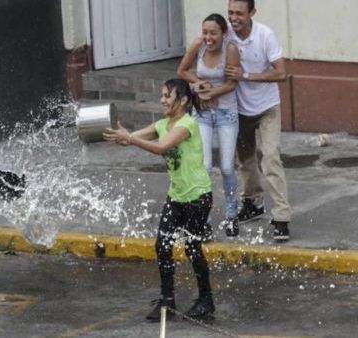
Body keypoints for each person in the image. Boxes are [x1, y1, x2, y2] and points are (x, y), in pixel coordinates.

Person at [104, 79, 215, 321]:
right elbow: (132, 137)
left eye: (167, 96)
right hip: (176, 196)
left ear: (183, 100)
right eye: (162, 95)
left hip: (198, 196)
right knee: (161, 246)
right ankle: (167, 301)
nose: (162, 100)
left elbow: (161, 147)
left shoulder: (187, 125)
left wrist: (131, 138)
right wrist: (121, 134)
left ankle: (206, 300)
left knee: (192, 248)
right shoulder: (163, 123)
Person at [224, 0, 291, 241]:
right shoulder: (226, 34)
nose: (234, 17)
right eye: (230, 12)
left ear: (252, 13)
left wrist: (246, 75)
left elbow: (281, 73)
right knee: (245, 161)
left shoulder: (265, 35)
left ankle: (281, 217)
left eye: (239, 13)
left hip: (267, 107)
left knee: (271, 158)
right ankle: (252, 203)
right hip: (240, 109)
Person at [178, 13, 241, 237]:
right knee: (204, 167)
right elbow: (182, 71)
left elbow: (233, 83)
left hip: (226, 112)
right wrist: (200, 83)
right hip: (202, 112)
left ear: (223, 34)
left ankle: (232, 215)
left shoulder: (230, 49)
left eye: (213, 33)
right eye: (205, 32)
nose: (208, 37)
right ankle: (201, 219)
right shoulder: (198, 45)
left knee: (226, 167)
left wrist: (212, 92)